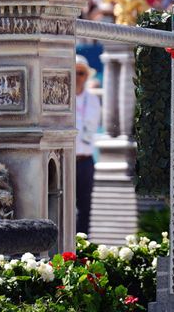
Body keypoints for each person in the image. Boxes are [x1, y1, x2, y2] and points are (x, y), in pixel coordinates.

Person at [74, 55, 101, 235]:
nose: (77, 77)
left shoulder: (92, 99)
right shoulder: (62, 96)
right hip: (65, 159)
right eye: (74, 72)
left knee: (85, 206)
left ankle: (82, 242)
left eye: (81, 73)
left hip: (85, 159)